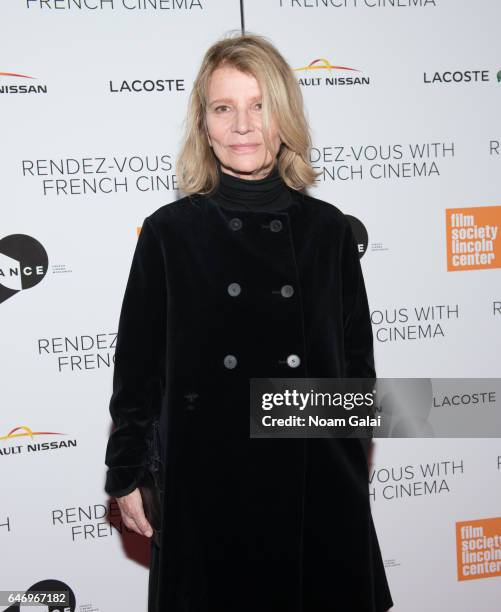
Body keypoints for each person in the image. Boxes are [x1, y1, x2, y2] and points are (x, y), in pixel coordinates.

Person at [104, 31, 394, 612]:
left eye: (260, 105)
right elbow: (137, 371)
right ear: (204, 124)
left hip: (316, 484)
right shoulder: (168, 233)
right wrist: (127, 472)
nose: (243, 125)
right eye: (224, 107)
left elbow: (357, 369)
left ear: (285, 116)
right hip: (208, 483)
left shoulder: (329, 231)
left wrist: (349, 452)